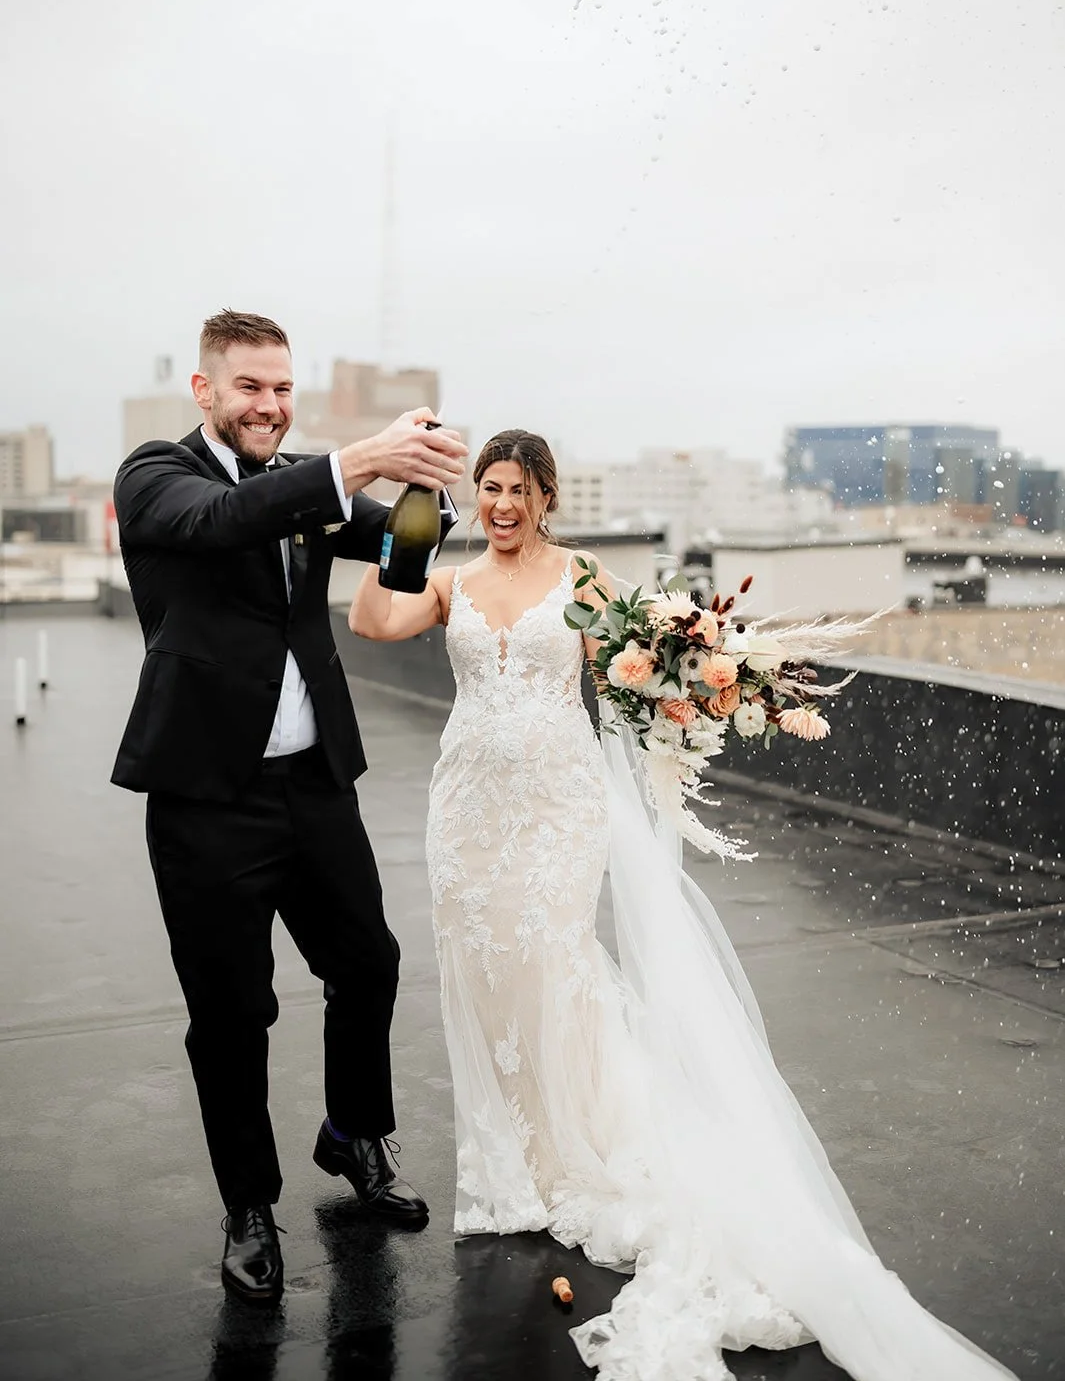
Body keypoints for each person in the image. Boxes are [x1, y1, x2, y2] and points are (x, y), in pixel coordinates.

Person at [349, 427, 1019, 1381]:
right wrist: (400, 544)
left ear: (545, 498)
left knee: (554, 962)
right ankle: (510, 1168)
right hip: (466, 806)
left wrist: (700, 676)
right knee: (480, 971)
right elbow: (373, 625)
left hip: (557, 803)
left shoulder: (581, 578)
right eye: (487, 489)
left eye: (515, 490)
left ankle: (578, 1148)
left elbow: (644, 664)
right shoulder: (449, 579)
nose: (498, 505)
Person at [111, 309, 467, 1304]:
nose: (268, 405)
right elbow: (219, 523)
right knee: (232, 1014)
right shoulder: (154, 475)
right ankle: (250, 1207)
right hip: (204, 799)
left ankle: (352, 1136)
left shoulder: (306, 482)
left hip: (314, 784)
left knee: (370, 963)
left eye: (281, 389)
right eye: (250, 387)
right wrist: (359, 461)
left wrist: (420, 487)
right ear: (207, 389)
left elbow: (398, 561)